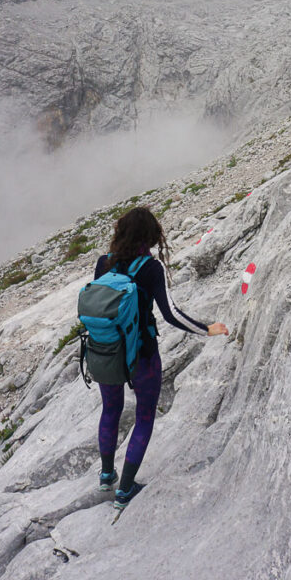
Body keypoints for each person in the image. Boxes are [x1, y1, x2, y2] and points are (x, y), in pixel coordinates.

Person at [93, 205, 229, 510]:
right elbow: (171, 313)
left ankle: (106, 475)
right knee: (143, 417)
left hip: (107, 352)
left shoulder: (103, 263)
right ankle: (124, 491)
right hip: (142, 353)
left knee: (110, 410)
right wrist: (206, 329)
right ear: (151, 236)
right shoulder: (151, 269)